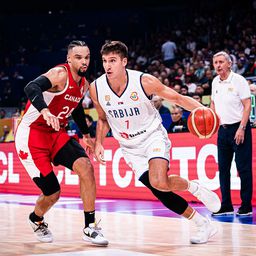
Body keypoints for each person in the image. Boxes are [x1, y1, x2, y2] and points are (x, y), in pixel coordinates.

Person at [90, 41, 221, 244]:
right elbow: (103, 118)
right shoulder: (96, 88)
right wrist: (99, 143)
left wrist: (203, 111)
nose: (108, 65)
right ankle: (202, 222)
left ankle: (196, 190)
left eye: (113, 61)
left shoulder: (144, 81)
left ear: (124, 62)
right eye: (105, 61)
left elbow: (177, 97)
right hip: (129, 147)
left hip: (152, 136)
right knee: (161, 190)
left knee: (159, 181)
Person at [14, 40, 108, 245]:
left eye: (87, 57)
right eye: (78, 57)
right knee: (53, 193)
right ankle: (36, 218)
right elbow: (31, 87)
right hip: (32, 135)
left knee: (86, 167)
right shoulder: (59, 74)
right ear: (69, 59)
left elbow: (75, 107)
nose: (84, 61)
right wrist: (45, 111)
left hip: (56, 133)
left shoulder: (84, 85)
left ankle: (90, 227)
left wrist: (86, 135)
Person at [210, 51, 253, 216]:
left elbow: (247, 105)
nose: (218, 65)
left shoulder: (239, 80)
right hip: (223, 130)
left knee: (243, 168)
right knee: (223, 169)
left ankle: (246, 205)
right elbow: (213, 104)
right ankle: (226, 204)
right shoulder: (215, 82)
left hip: (239, 128)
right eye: (215, 63)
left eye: (221, 62)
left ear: (229, 63)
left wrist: (242, 128)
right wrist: (213, 123)